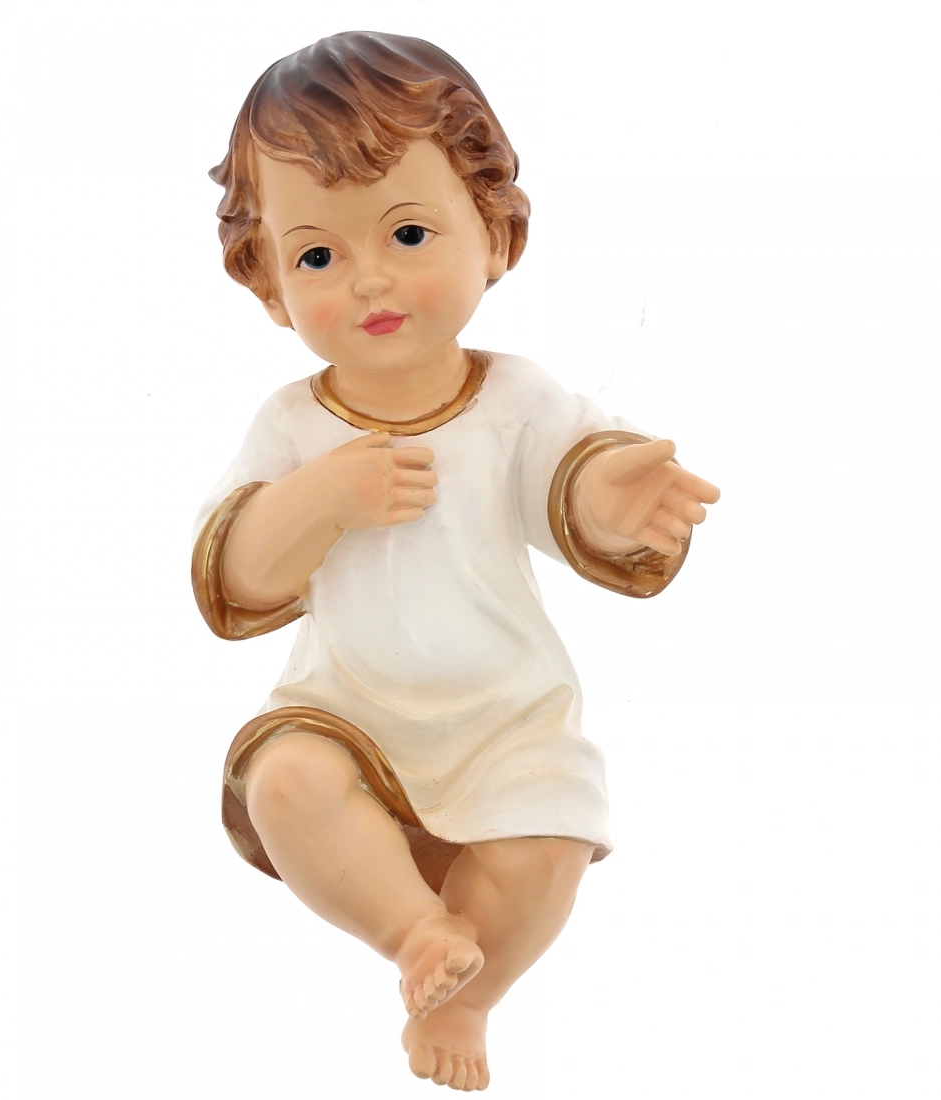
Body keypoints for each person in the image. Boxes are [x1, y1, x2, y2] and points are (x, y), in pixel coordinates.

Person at [193, 31, 719, 1091]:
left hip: (504, 721)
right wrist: (320, 499)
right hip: (344, 709)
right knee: (285, 780)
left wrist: (610, 498)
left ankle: (469, 993)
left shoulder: (514, 398)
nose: (370, 280)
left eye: (408, 231)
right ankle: (415, 932)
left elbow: (568, 476)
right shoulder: (293, 424)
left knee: (552, 843)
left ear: (494, 231)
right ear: (268, 283)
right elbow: (235, 580)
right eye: (317, 256)